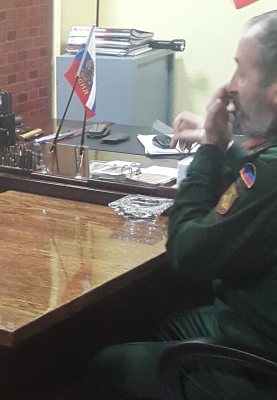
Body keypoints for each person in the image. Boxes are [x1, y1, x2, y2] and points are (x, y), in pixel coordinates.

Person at [88, 10, 277, 400]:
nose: (231, 86)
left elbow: (187, 249)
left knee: (109, 365)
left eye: (242, 73)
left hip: (257, 361)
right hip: (253, 325)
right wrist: (223, 143)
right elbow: (258, 180)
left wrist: (209, 150)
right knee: (156, 324)